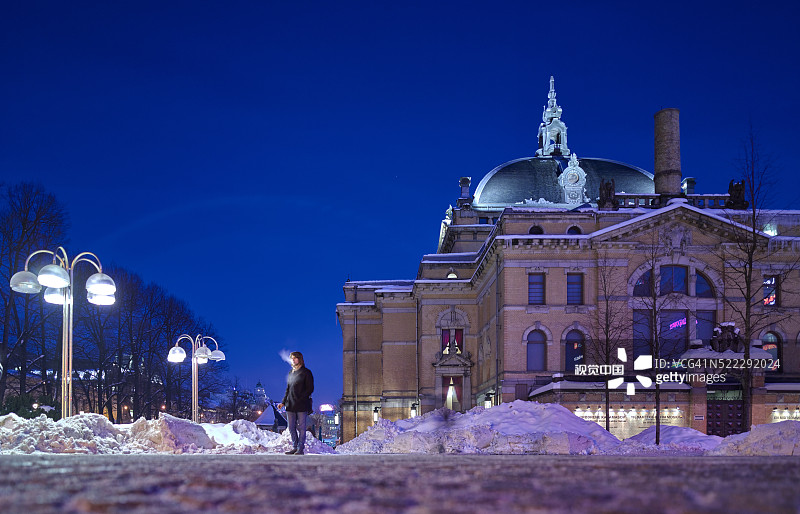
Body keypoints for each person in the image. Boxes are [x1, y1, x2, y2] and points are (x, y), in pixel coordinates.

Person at [277, 351, 314, 455]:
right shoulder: (291, 372)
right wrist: (283, 402)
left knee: (302, 427)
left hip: (302, 404)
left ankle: (300, 449)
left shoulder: (306, 372)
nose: (293, 360)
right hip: (290, 404)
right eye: (292, 358)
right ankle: (295, 446)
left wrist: (301, 397)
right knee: (291, 427)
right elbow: (288, 389)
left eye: (295, 358)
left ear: (300, 359)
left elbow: (310, 388)